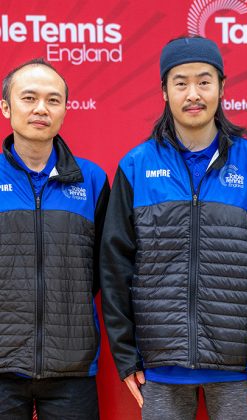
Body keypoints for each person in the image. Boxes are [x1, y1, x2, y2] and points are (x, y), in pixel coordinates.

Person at [100, 36, 247, 420]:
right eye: (180, 83)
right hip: (160, 363)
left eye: (204, 81)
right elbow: (115, 266)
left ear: (222, 87)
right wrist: (126, 355)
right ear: (164, 91)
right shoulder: (136, 165)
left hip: (236, 365)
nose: (193, 94)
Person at [0, 58, 109, 419]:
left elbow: (102, 270)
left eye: (53, 100)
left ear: (64, 110)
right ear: (6, 107)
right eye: (29, 98)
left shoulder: (92, 180)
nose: (41, 109)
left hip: (71, 368)